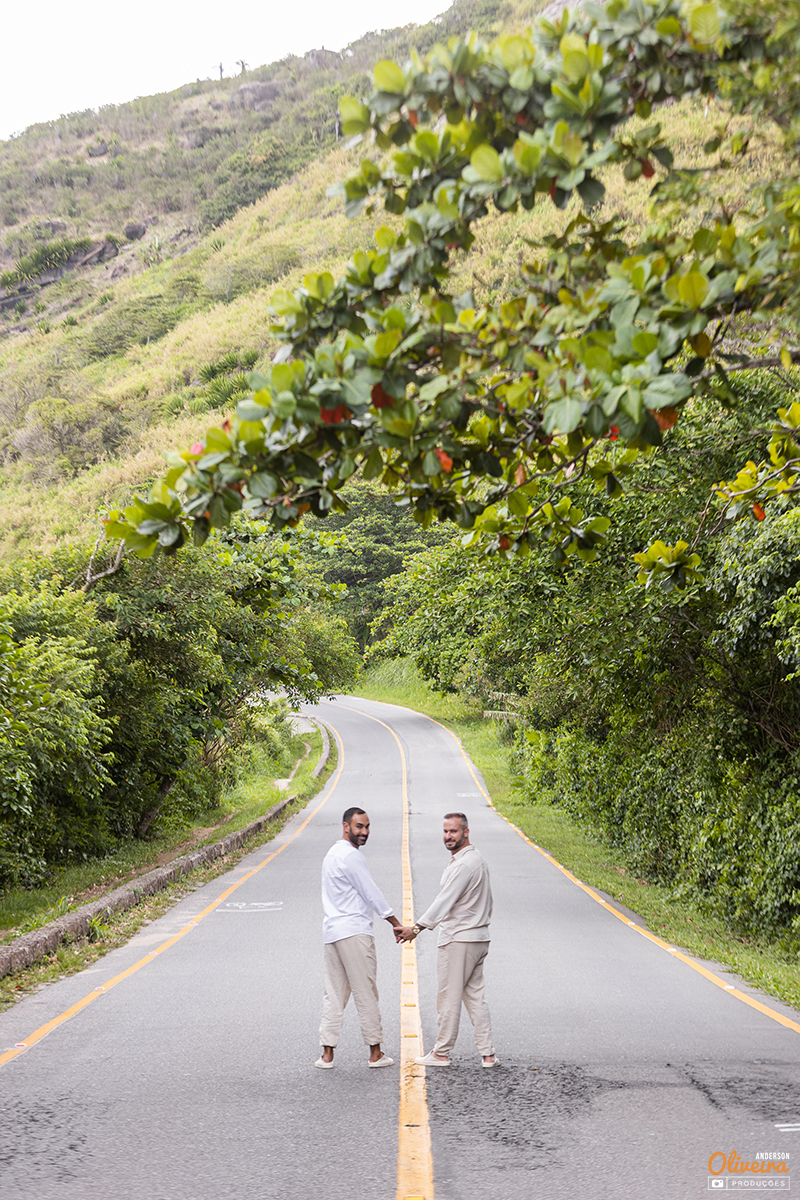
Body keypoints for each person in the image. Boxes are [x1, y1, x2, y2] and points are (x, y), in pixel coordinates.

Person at [399, 812, 497, 1068]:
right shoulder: (475, 860)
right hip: (477, 938)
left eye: (453, 831)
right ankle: (488, 1054)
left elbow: (443, 901)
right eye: (445, 831)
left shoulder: (465, 865)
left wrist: (416, 928)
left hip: (459, 940)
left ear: (466, 832)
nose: (448, 836)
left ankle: (441, 1052)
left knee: (448, 997)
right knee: (475, 997)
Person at [316, 806, 402, 1069]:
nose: (364, 832)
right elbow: (371, 892)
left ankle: (327, 1055)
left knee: (334, 994)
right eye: (359, 827)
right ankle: (375, 1053)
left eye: (367, 827)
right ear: (346, 827)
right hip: (354, 932)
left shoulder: (332, 854)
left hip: (333, 933)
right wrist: (394, 922)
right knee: (366, 992)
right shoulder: (351, 856)